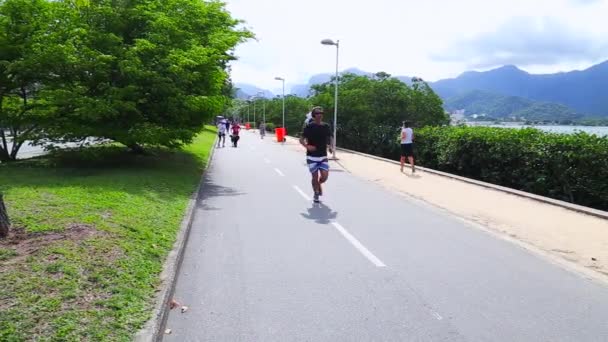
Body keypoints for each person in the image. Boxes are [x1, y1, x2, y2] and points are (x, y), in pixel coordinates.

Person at [300, 107, 333, 203]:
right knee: (314, 177)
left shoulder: (325, 126)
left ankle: (318, 184)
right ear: (314, 116)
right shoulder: (309, 127)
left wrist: (330, 146)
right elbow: (301, 139)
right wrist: (307, 146)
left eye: (321, 113)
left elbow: (330, 136)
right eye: (318, 113)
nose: (320, 115)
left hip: (323, 156)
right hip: (311, 157)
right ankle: (316, 192)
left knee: (325, 176)